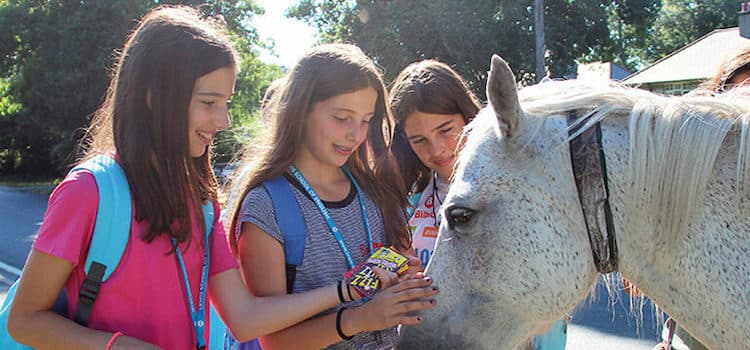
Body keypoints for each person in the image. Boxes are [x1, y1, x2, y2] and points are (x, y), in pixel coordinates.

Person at [6, 7, 422, 350]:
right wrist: (116, 346)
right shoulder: (87, 192)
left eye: (225, 103)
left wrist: (347, 292)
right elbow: (24, 322)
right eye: (209, 103)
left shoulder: (201, 200)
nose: (223, 121)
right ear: (154, 96)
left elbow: (243, 320)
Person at [224, 43, 438, 350]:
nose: (356, 134)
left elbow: (407, 262)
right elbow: (272, 340)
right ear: (301, 110)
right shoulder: (266, 206)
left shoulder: (376, 189)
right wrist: (360, 318)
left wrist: (403, 280)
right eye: (342, 117)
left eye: (366, 120)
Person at [389, 59, 568, 350]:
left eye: (445, 129)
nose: (436, 149)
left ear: (468, 116)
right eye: (419, 139)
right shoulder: (407, 202)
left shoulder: (520, 186)